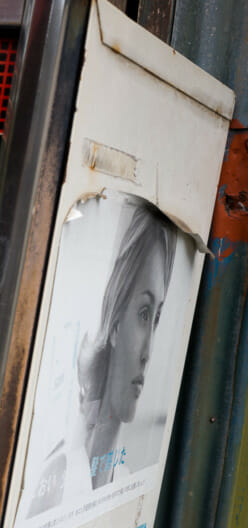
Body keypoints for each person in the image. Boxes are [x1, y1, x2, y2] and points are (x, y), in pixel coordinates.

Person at [76, 198, 176, 488]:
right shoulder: (64, 472)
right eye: (144, 314)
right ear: (116, 323)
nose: (149, 353)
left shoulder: (125, 479)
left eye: (156, 317)